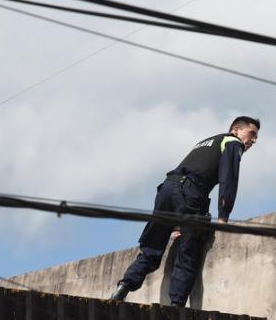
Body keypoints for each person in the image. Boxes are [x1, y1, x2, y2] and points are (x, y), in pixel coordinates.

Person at [110, 116, 260, 307]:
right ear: (236, 130)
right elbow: (228, 180)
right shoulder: (232, 142)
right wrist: (224, 216)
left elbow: (185, 178)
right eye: (252, 134)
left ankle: (124, 286)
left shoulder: (206, 142)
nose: (253, 141)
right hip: (190, 192)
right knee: (189, 249)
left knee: (152, 246)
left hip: (167, 188)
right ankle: (176, 306)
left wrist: (177, 222)